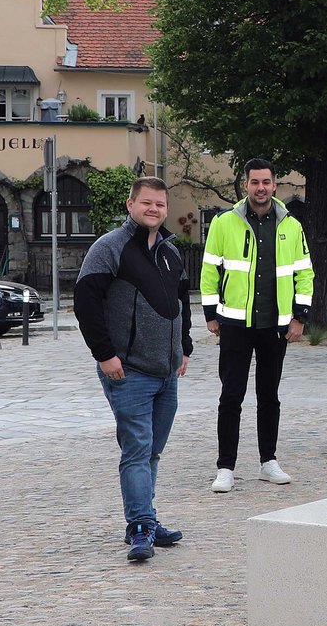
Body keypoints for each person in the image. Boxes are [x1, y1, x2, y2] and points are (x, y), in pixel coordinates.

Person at [75, 176, 193, 562]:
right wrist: (104, 354)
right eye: (146, 203)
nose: (154, 210)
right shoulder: (109, 248)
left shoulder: (170, 252)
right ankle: (139, 525)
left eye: (160, 204)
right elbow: (85, 302)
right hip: (128, 371)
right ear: (131, 204)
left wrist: (184, 349)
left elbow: (181, 304)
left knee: (152, 451)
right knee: (138, 449)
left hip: (165, 372)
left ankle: (147, 517)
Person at [200, 159, 313, 492]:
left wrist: (300, 316)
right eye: (254, 182)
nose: (260, 188)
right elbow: (209, 269)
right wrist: (210, 313)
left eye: (266, 182)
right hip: (234, 324)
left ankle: (268, 462)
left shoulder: (291, 226)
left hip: (275, 326)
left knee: (269, 396)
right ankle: (226, 467)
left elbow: (304, 272)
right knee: (231, 395)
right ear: (245, 185)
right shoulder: (224, 223)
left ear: (274, 185)